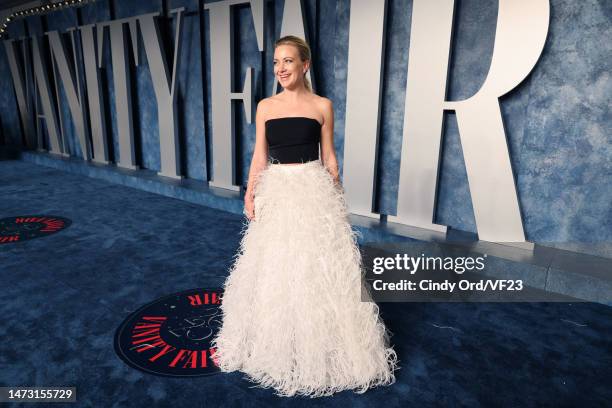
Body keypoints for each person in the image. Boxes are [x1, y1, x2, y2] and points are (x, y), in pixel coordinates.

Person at [211, 35, 399, 398]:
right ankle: (275, 341)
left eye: (289, 62)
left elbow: (329, 156)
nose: (281, 68)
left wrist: (336, 196)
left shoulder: (323, 106)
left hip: (314, 190)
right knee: (276, 266)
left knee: (318, 268)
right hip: (278, 190)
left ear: (304, 65)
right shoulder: (265, 106)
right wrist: (250, 192)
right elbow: (259, 156)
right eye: (277, 62)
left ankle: (322, 345)